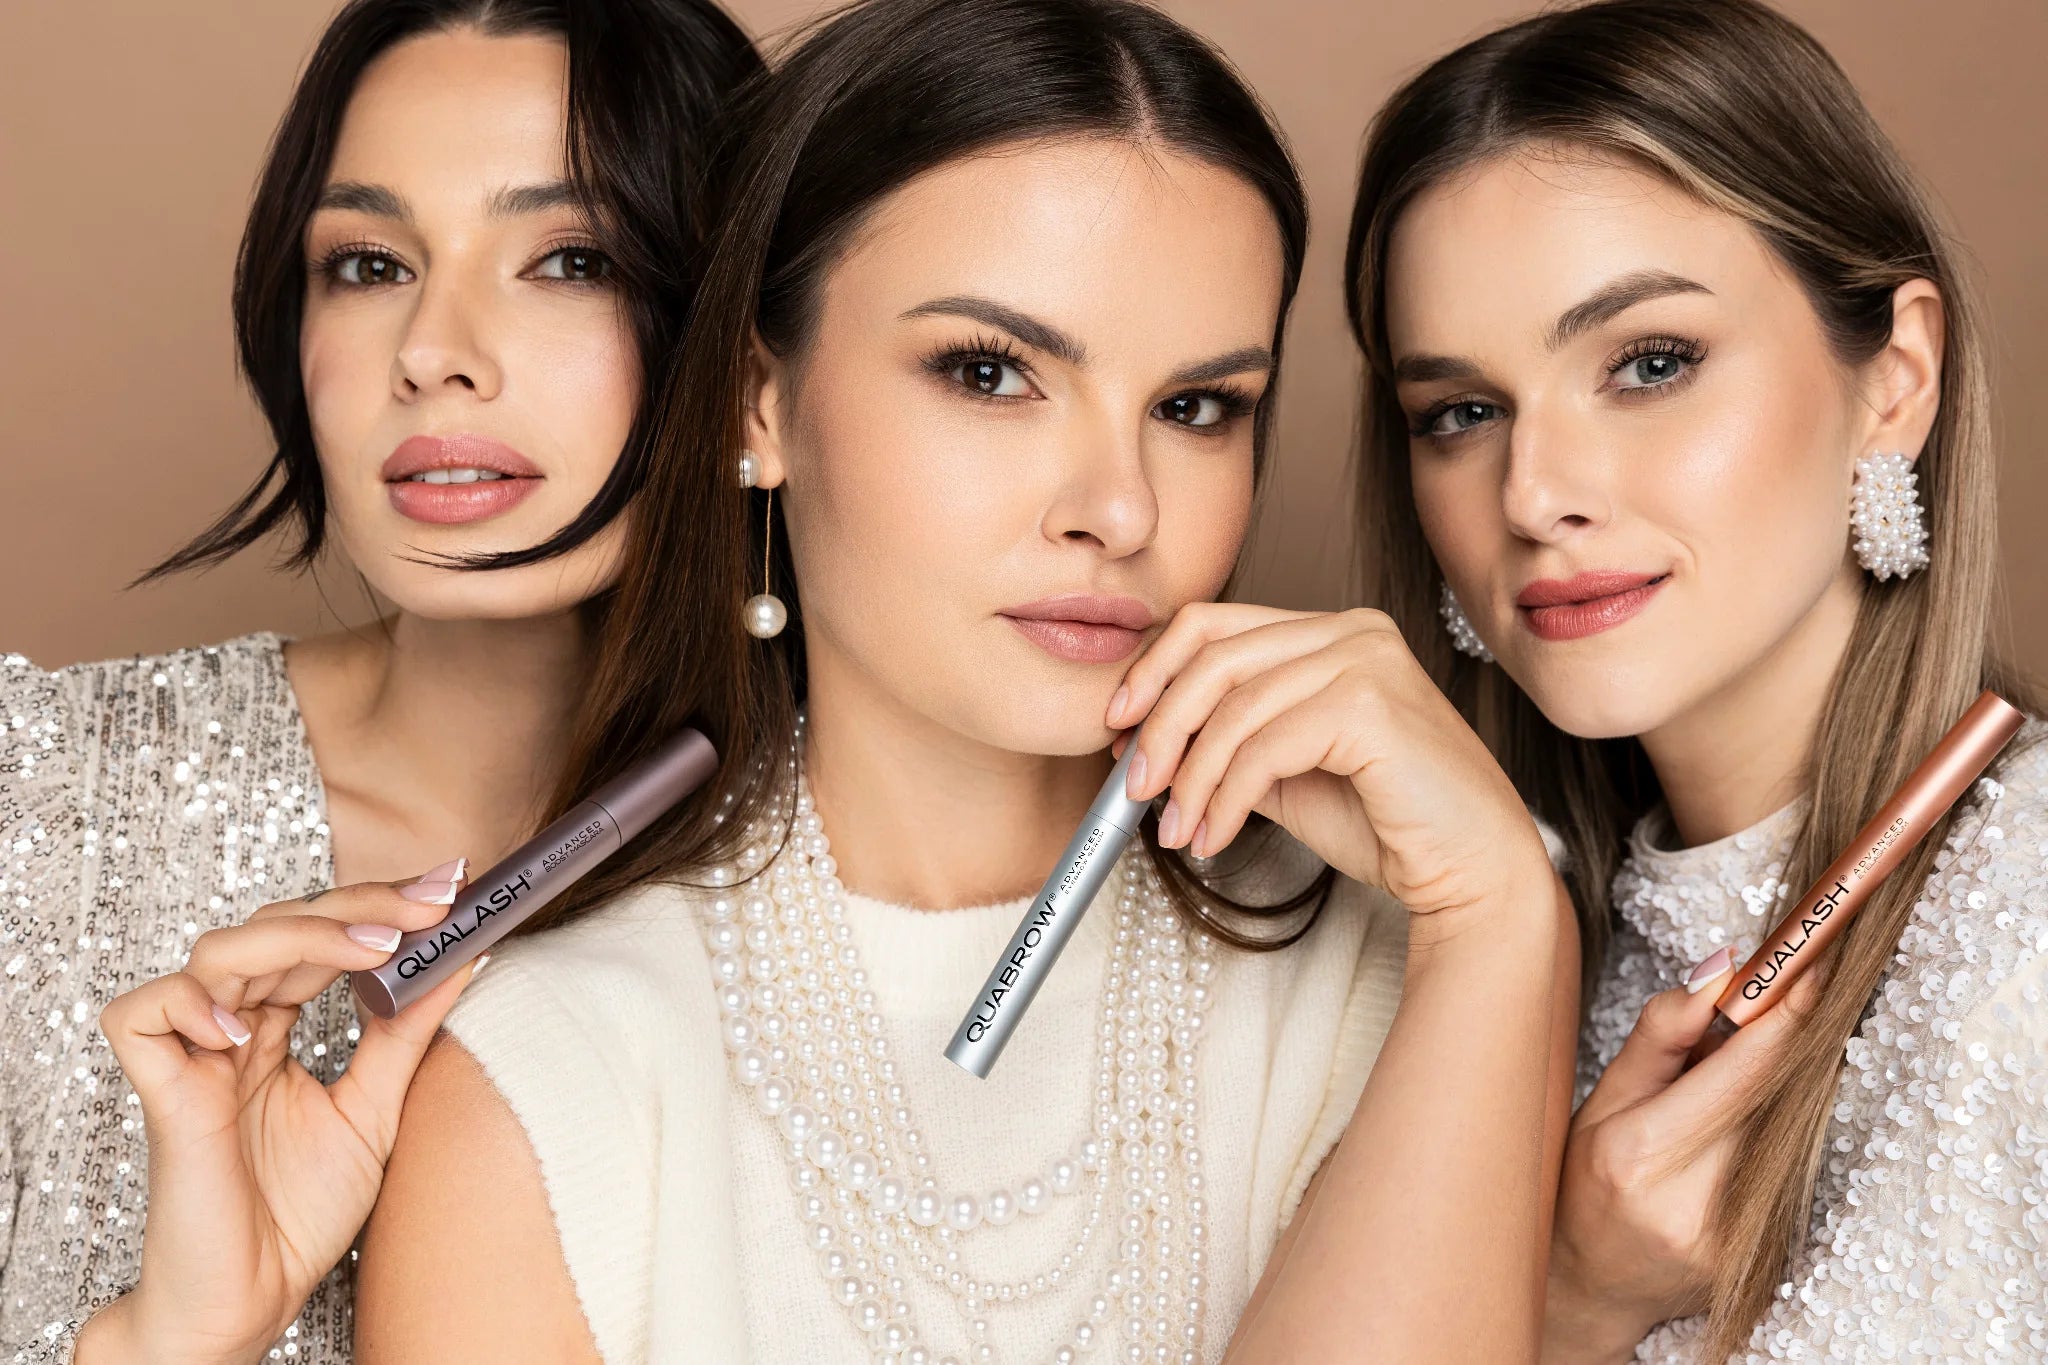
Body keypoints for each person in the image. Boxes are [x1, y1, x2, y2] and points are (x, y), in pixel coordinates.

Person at [355, 0, 1577, 1361]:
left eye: (1197, 407)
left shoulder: (1423, 950)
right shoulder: (555, 1068)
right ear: (758, 405)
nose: (1118, 507)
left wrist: (1495, 921)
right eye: (990, 371)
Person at [0, 2, 758, 1359]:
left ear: (744, 343)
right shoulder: (39, 801)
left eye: (571, 257)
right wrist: (172, 1341)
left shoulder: (878, 872)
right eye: (367, 263)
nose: (431, 346)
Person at [1343, 0, 2046, 1359]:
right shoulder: (1441, 953)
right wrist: (1567, 1306)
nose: (1535, 494)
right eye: (1462, 413)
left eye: (1649, 363)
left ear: (1895, 379)